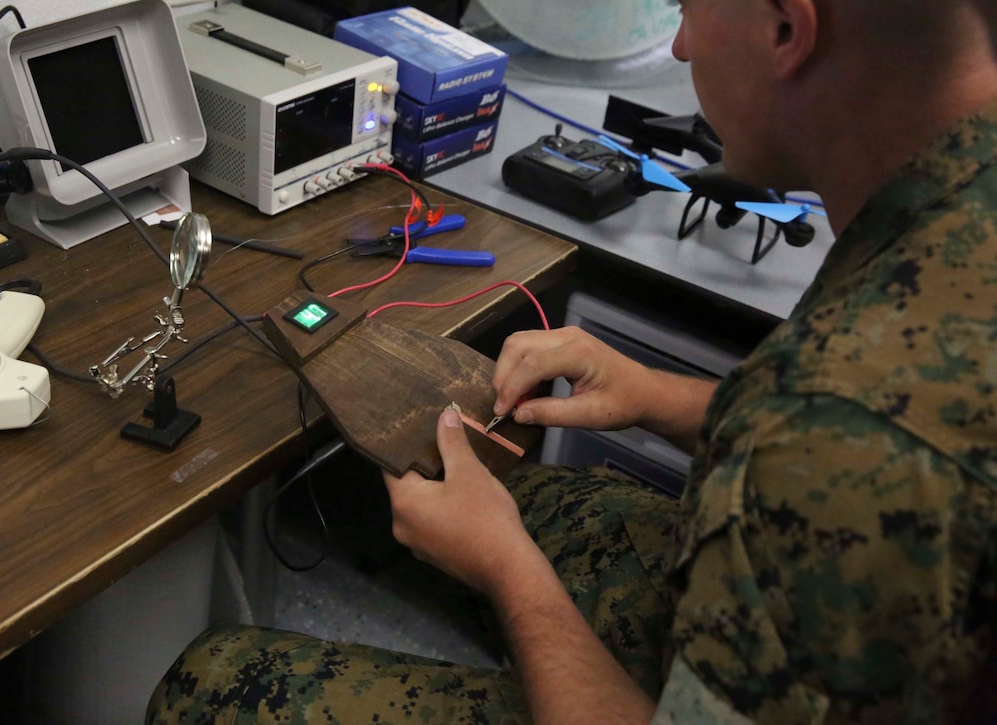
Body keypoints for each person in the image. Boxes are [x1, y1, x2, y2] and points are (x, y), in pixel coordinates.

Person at [147, 0, 997, 721]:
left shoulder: (840, 415)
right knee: (523, 492)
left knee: (215, 684)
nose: (680, 47)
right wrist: (659, 394)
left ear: (785, 28)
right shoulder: (948, 215)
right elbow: (865, 455)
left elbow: (846, 440)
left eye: (692, 7)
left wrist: (508, 571)